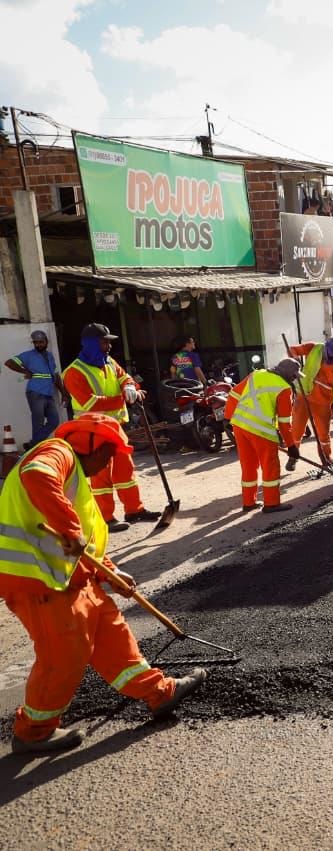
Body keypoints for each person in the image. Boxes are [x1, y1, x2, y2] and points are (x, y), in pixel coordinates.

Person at [1, 414, 206, 754]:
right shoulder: (57, 451)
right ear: (89, 444)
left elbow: (87, 546)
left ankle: (160, 692)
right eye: (110, 452)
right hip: (38, 582)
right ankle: (33, 732)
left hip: (73, 579)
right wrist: (70, 529)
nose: (112, 461)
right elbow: (36, 476)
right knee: (64, 655)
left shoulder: (78, 482)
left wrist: (110, 572)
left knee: (113, 634)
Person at [62, 323, 161, 532]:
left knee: (125, 469)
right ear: (90, 344)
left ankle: (135, 510)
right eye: (104, 341)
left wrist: (129, 386)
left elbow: (125, 376)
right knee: (101, 475)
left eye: (108, 341)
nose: (108, 345)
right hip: (93, 431)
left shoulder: (109, 362)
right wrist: (122, 399)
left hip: (116, 428)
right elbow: (90, 403)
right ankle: (106, 517)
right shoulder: (73, 373)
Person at [224, 358, 300, 513]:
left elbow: (234, 394)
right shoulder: (284, 388)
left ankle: (248, 502)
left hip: (240, 425)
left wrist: (227, 417)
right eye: (294, 375)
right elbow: (285, 423)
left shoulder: (256, 374)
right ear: (286, 373)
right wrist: (291, 446)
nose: (295, 378)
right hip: (261, 430)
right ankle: (271, 503)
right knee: (270, 466)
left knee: (248, 466)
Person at [286, 336, 333, 471]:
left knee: (323, 433)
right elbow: (292, 349)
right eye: (330, 353)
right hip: (303, 396)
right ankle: (293, 457)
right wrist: (294, 362)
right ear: (325, 347)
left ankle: (326, 459)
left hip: (323, 401)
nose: (331, 357)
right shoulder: (314, 348)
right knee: (296, 429)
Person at [5, 329, 63, 446]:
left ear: (46, 341)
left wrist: (64, 393)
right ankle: (35, 447)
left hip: (48, 394)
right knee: (38, 421)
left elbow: (55, 375)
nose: (38, 345)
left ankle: (33, 444)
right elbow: (9, 362)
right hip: (35, 392)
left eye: (41, 342)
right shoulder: (28, 355)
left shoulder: (50, 356)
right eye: (36, 342)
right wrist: (25, 371)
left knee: (54, 421)